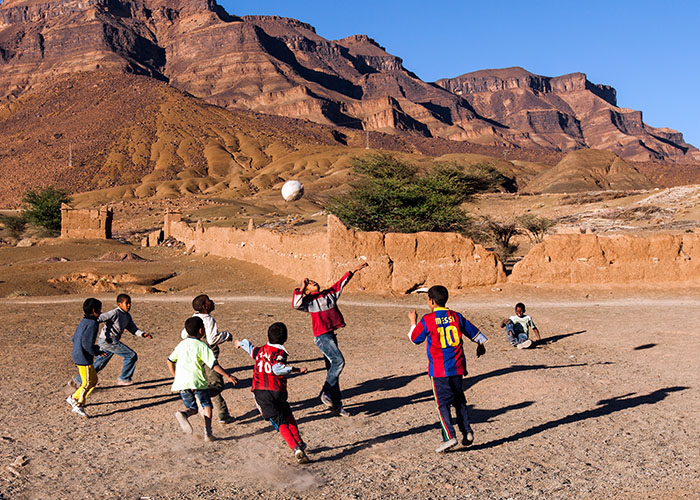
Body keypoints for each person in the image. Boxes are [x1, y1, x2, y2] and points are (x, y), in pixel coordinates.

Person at [407, 285, 487, 453]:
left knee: (442, 403)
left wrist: (413, 322)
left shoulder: (428, 320)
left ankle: (449, 436)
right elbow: (476, 335)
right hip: (457, 367)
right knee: (459, 401)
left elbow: (415, 339)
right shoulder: (456, 317)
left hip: (439, 370)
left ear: (431, 301)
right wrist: (480, 346)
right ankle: (467, 431)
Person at [292, 262, 368, 416]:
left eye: (313, 281)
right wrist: (302, 286)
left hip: (331, 336)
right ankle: (325, 392)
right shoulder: (308, 302)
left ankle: (336, 404)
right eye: (310, 284)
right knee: (339, 362)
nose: (313, 282)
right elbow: (295, 304)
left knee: (333, 370)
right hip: (322, 338)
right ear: (307, 291)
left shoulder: (330, 294)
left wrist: (353, 270)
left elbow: (341, 283)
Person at [236, 322, 310, 464]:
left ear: (267, 336)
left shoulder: (261, 350)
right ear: (286, 338)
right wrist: (296, 369)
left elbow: (250, 349)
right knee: (287, 414)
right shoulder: (279, 352)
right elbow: (277, 368)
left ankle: (295, 448)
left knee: (279, 421)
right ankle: (299, 441)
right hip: (277, 390)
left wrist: (240, 343)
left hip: (260, 392)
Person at [168, 316, 238, 442]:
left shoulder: (181, 345)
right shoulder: (202, 346)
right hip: (197, 382)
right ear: (201, 331)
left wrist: (176, 376)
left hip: (182, 382)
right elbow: (213, 365)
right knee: (207, 406)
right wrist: (228, 375)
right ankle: (208, 433)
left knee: (193, 408)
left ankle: (184, 414)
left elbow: (170, 361)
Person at [70, 293, 152, 388]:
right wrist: (88, 324)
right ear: (119, 304)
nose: (129, 305)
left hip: (110, 342)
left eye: (130, 303)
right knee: (131, 355)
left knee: (99, 363)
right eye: (126, 303)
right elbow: (98, 318)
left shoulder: (127, 316)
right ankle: (124, 378)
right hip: (108, 341)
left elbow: (132, 328)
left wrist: (142, 334)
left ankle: (77, 381)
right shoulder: (114, 313)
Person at [180, 294, 236, 424]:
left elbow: (184, 334)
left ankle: (223, 413)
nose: (212, 302)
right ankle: (201, 398)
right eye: (209, 301)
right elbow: (212, 339)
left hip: (195, 355)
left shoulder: (194, 318)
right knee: (216, 384)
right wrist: (226, 335)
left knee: (208, 383)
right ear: (205, 306)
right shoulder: (209, 319)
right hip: (208, 354)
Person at [66, 298, 105, 417]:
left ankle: (74, 397)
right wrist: (96, 351)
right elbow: (87, 343)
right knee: (87, 383)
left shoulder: (84, 321)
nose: (101, 312)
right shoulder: (93, 324)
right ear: (95, 310)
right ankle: (78, 404)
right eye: (100, 309)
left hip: (79, 354)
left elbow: (74, 338)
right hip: (83, 357)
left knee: (93, 380)